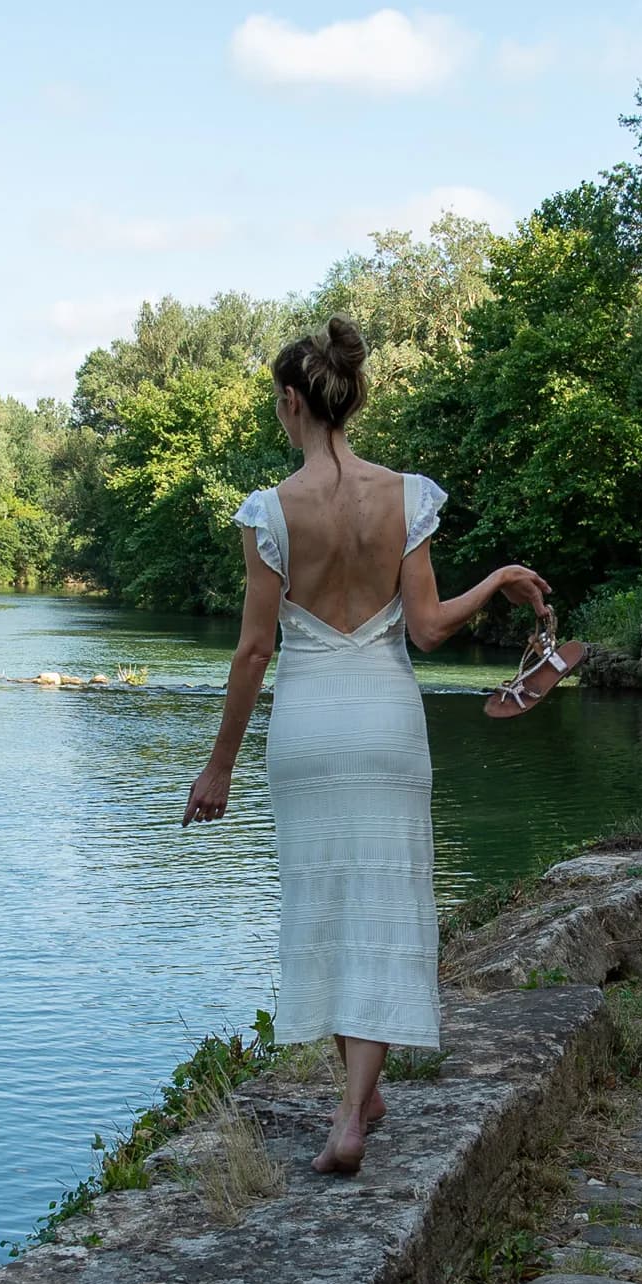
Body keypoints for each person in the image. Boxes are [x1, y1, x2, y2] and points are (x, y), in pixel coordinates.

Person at [182, 316, 551, 1177]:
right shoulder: (405, 495)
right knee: (386, 907)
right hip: (385, 717)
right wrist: (494, 582)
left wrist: (219, 764)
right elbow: (425, 630)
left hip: (310, 726)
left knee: (329, 903)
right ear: (349, 398)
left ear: (289, 401)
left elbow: (254, 651)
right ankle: (360, 1103)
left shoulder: (269, 512)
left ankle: (349, 1110)